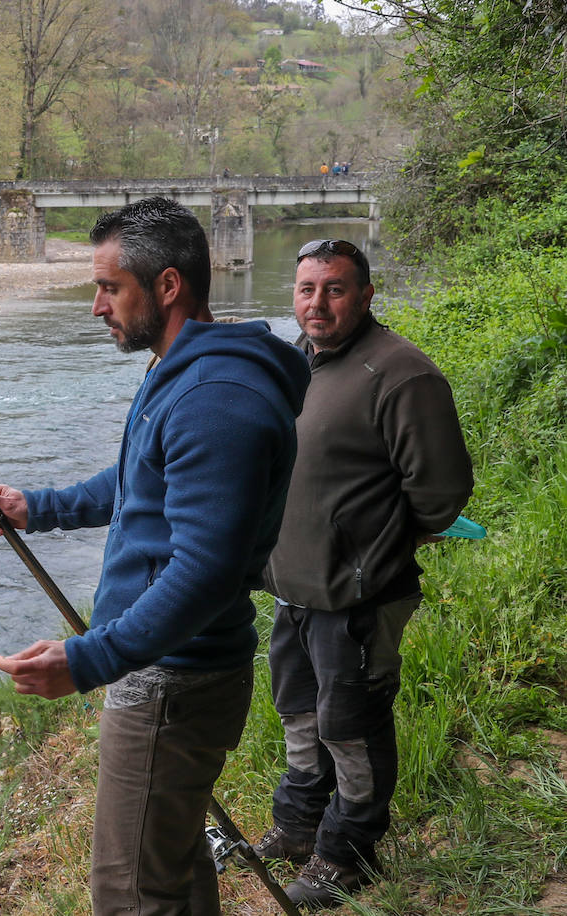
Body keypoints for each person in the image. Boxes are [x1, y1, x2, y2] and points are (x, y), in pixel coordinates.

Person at [0, 197, 310, 916]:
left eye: (109, 287)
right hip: (171, 675)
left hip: (171, 685)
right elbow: (141, 481)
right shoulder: (184, 371)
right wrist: (41, 506)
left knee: (130, 897)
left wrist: (87, 660)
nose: (96, 307)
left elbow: (206, 572)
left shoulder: (217, 396)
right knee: (174, 870)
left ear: (166, 286)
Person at [255, 239, 474, 908]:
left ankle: (347, 855)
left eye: (335, 288)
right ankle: (297, 824)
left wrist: (370, 547)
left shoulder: (402, 375)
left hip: (358, 593)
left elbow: (441, 493)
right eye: (306, 288)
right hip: (293, 585)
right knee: (297, 711)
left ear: (367, 295)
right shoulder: (294, 362)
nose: (317, 302)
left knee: (350, 726)